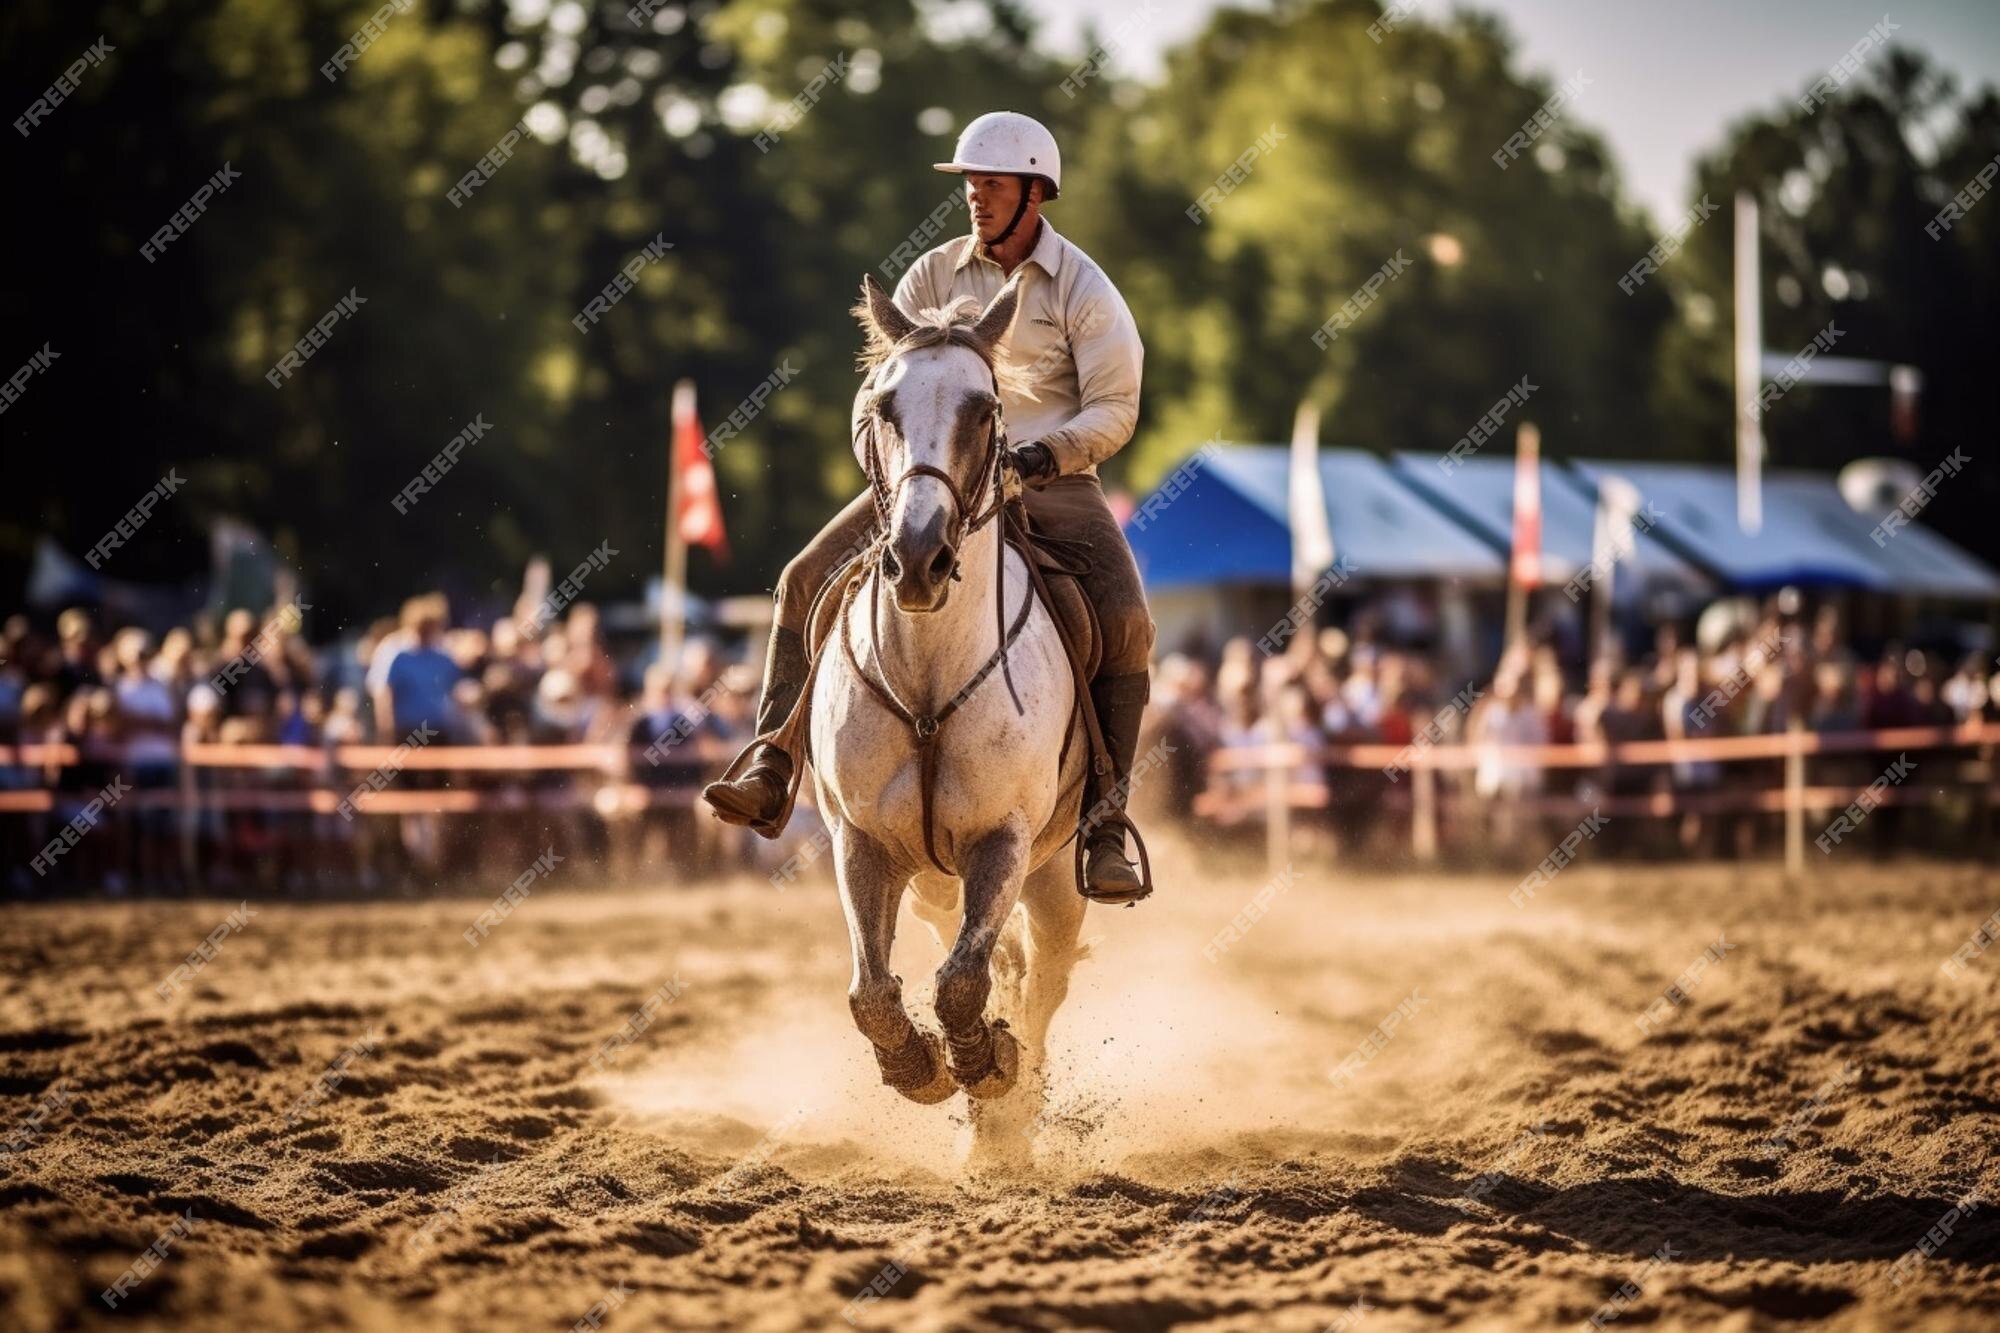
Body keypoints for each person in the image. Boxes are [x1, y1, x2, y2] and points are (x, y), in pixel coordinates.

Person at [702, 111, 1156, 904]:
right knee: (801, 577)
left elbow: (1115, 408)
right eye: (970, 183)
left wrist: (1040, 456)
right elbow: (874, 398)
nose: (976, 197)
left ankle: (1105, 823)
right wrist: (896, 469)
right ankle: (772, 758)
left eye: (993, 184)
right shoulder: (927, 279)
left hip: (1051, 481)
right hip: (933, 480)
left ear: (1035, 194)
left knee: (1127, 620)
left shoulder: (1084, 288)